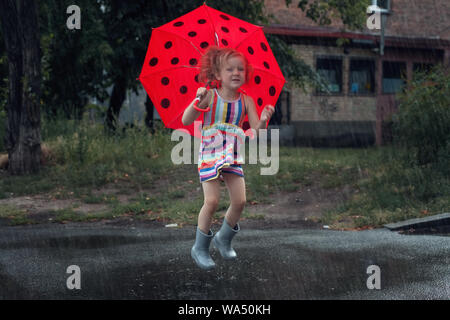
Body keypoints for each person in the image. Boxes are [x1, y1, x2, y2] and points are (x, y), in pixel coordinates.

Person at [182, 46, 275, 270]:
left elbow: (256, 131)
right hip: (210, 155)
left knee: (240, 201)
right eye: (229, 69)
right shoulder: (209, 96)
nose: (236, 73)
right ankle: (200, 247)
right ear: (216, 74)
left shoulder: (247, 101)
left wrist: (263, 120)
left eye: (240, 69)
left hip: (232, 155)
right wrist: (197, 101)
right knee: (212, 201)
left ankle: (223, 238)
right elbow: (186, 120)